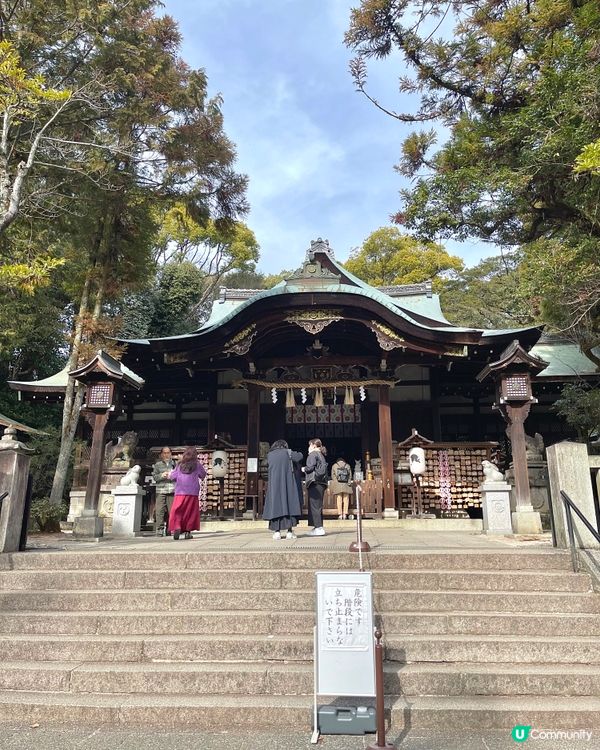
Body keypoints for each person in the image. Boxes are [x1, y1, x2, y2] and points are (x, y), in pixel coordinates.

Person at [263, 440, 303, 540]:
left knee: (275, 507)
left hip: (274, 486)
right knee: (289, 506)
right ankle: (289, 532)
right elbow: (300, 456)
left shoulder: (270, 455)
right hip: (288, 483)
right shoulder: (288, 452)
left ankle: (277, 532)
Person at [168, 446, 206, 540]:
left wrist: (168, 474)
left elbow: (173, 476)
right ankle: (188, 532)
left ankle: (177, 526)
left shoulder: (180, 464)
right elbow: (203, 475)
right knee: (190, 513)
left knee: (178, 510)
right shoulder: (197, 465)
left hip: (180, 492)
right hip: (192, 493)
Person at [305, 438, 328, 536]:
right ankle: (318, 526)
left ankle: (318, 527)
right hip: (322, 483)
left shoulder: (313, 454)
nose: (308, 447)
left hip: (314, 482)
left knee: (314, 506)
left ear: (314, 445)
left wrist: (303, 469)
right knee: (318, 506)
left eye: (310, 445)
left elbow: (310, 467)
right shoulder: (321, 455)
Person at [152, 446, 175, 535]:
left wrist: (173, 475)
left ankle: (170, 529)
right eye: (164, 453)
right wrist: (162, 475)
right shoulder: (157, 465)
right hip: (161, 490)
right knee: (159, 510)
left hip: (172, 489)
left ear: (170, 454)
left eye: (168, 452)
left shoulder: (174, 464)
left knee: (172, 511)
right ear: (161, 454)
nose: (166, 455)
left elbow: (178, 476)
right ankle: (159, 529)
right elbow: (154, 477)